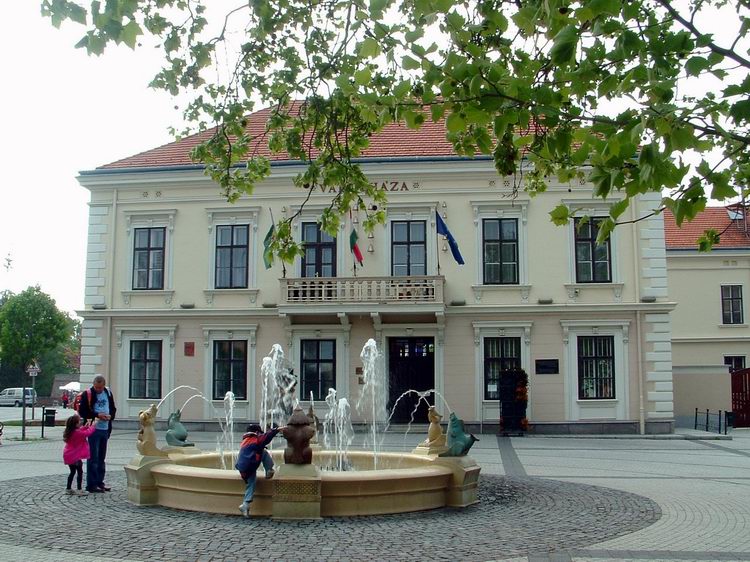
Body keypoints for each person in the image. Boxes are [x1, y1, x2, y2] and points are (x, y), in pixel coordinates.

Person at [78, 374, 117, 493]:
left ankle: (100, 482)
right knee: (93, 458)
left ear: (104, 386)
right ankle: (91, 484)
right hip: (93, 429)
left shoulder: (108, 393)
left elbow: (113, 408)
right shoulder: (88, 394)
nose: (98, 390)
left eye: (100, 388)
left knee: (101, 457)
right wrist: (97, 415)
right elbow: (83, 411)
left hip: (105, 428)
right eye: (96, 387)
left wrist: (110, 417)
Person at [235, 423, 283, 517]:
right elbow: (267, 437)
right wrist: (277, 429)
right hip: (250, 464)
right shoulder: (255, 439)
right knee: (263, 452)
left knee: (251, 484)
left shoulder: (245, 441)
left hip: (244, 469)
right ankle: (269, 470)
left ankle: (245, 504)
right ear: (256, 432)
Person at [62, 414, 96, 495]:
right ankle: (79, 489)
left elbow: (81, 431)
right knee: (79, 472)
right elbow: (86, 433)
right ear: (75, 424)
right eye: (79, 422)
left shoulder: (70, 431)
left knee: (72, 472)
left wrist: (86, 426)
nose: (80, 423)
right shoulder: (77, 433)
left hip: (68, 455)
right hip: (75, 456)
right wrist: (93, 426)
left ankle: (68, 488)